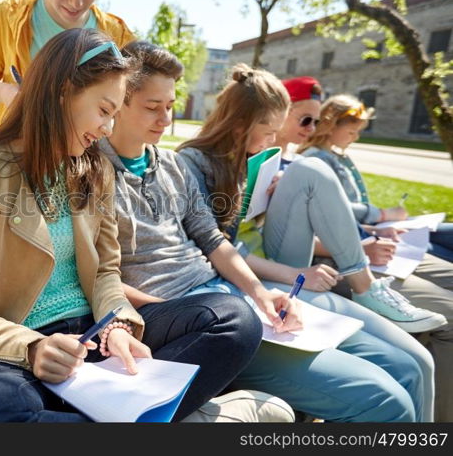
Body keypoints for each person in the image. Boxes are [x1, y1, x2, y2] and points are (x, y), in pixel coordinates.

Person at [0, 28, 265, 422]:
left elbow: (105, 271)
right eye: (104, 110)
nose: (107, 128)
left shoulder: (93, 169)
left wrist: (117, 324)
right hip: (21, 350)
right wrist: (31, 347)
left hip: (99, 334)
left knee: (234, 318)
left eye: (114, 114)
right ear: (62, 91)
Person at [103, 41, 425, 422]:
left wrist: (259, 294)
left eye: (170, 107)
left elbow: (213, 240)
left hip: (231, 298)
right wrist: (197, 313)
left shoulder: (171, 164)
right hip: (196, 322)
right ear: (118, 100)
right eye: (152, 107)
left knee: (406, 369)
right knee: (388, 401)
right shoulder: (90, 172)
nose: (165, 119)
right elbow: (96, 272)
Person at [297, 92, 453, 421]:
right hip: (344, 260)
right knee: (439, 322)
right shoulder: (309, 161)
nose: (309, 129)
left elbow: (340, 218)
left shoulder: (329, 158)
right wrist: (374, 225)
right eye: (305, 120)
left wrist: (371, 229)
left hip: (361, 247)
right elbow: (325, 222)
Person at [0, 0, 134, 125]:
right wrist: (4, 92)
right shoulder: (4, 15)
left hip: (89, 148)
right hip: (20, 144)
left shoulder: (118, 34)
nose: (76, 1)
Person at [298, 93, 453, 263]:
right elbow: (332, 207)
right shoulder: (317, 159)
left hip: (370, 227)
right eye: (351, 132)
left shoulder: (336, 155)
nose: (356, 137)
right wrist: (382, 215)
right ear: (330, 126)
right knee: (437, 251)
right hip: (360, 232)